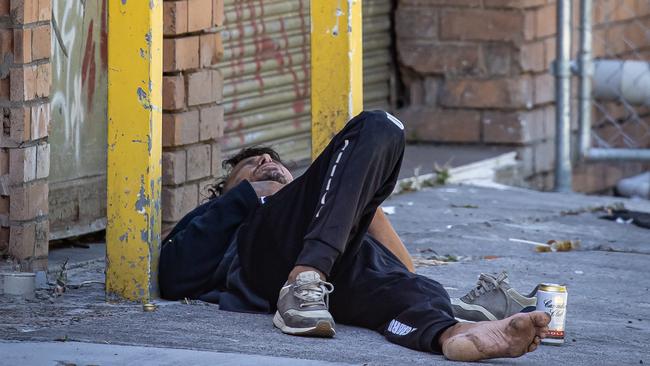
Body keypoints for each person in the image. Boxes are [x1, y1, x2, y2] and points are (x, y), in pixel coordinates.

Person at [158, 110, 551, 362]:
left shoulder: (320, 205)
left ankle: (456, 335)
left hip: (337, 284)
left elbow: (404, 269)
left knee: (413, 293)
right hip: (271, 261)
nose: (266, 162)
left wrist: (358, 201)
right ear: (226, 189)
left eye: (273, 161)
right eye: (250, 164)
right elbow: (175, 274)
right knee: (380, 123)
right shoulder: (230, 213)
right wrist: (252, 193)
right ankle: (303, 278)